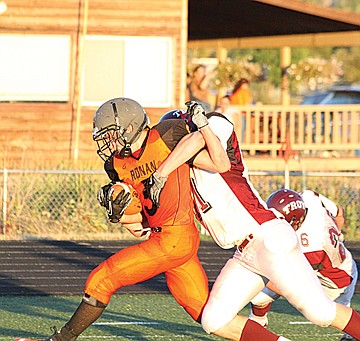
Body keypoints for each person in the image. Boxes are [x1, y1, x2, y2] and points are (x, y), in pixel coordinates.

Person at [14, 97, 230, 341]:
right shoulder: (117, 164)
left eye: (110, 134)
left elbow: (215, 155)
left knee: (102, 279)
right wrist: (118, 214)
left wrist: (202, 124)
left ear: (128, 128)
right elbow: (140, 227)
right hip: (165, 239)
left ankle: (61, 340)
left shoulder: (166, 135)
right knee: (209, 316)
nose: (107, 142)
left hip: (176, 236)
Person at [146, 106, 360, 341]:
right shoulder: (186, 174)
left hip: (267, 237)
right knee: (214, 319)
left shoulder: (214, 126)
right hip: (245, 252)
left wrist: (161, 171)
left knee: (320, 312)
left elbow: (205, 146)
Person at [249, 189, 358, 341]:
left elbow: (285, 282)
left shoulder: (312, 246)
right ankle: (258, 322)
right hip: (337, 263)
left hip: (334, 283)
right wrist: (338, 233)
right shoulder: (308, 197)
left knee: (326, 317)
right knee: (258, 296)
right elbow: (339, 212)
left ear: (295, 220)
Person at [229, 78, 253, 143]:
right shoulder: (244, 92)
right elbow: (247, 104)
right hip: (241, 113)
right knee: (241, 130)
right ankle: (240, 146)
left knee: (235, 130)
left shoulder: (234, 92)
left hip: (233, 113)